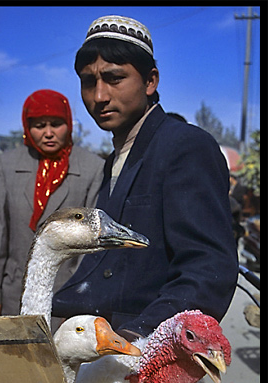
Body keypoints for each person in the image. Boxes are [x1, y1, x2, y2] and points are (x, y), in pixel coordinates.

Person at [52, 15, 238, 341]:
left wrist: (138, 339)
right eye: (88, 81)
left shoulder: (186, 146)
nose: (99, 96)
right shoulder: (116, 158)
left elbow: (208, 270)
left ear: (150, 81)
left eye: (114, 78)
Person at [0, 89, 104, 320]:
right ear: (27, 128)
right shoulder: (8, 165)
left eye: (56, 124)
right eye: (39, 125)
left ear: (69, 123)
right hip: (12, 291)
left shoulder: (92, 167)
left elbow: (91, 244)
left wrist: (78, 296)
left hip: (65, 294)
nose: (48, 133)